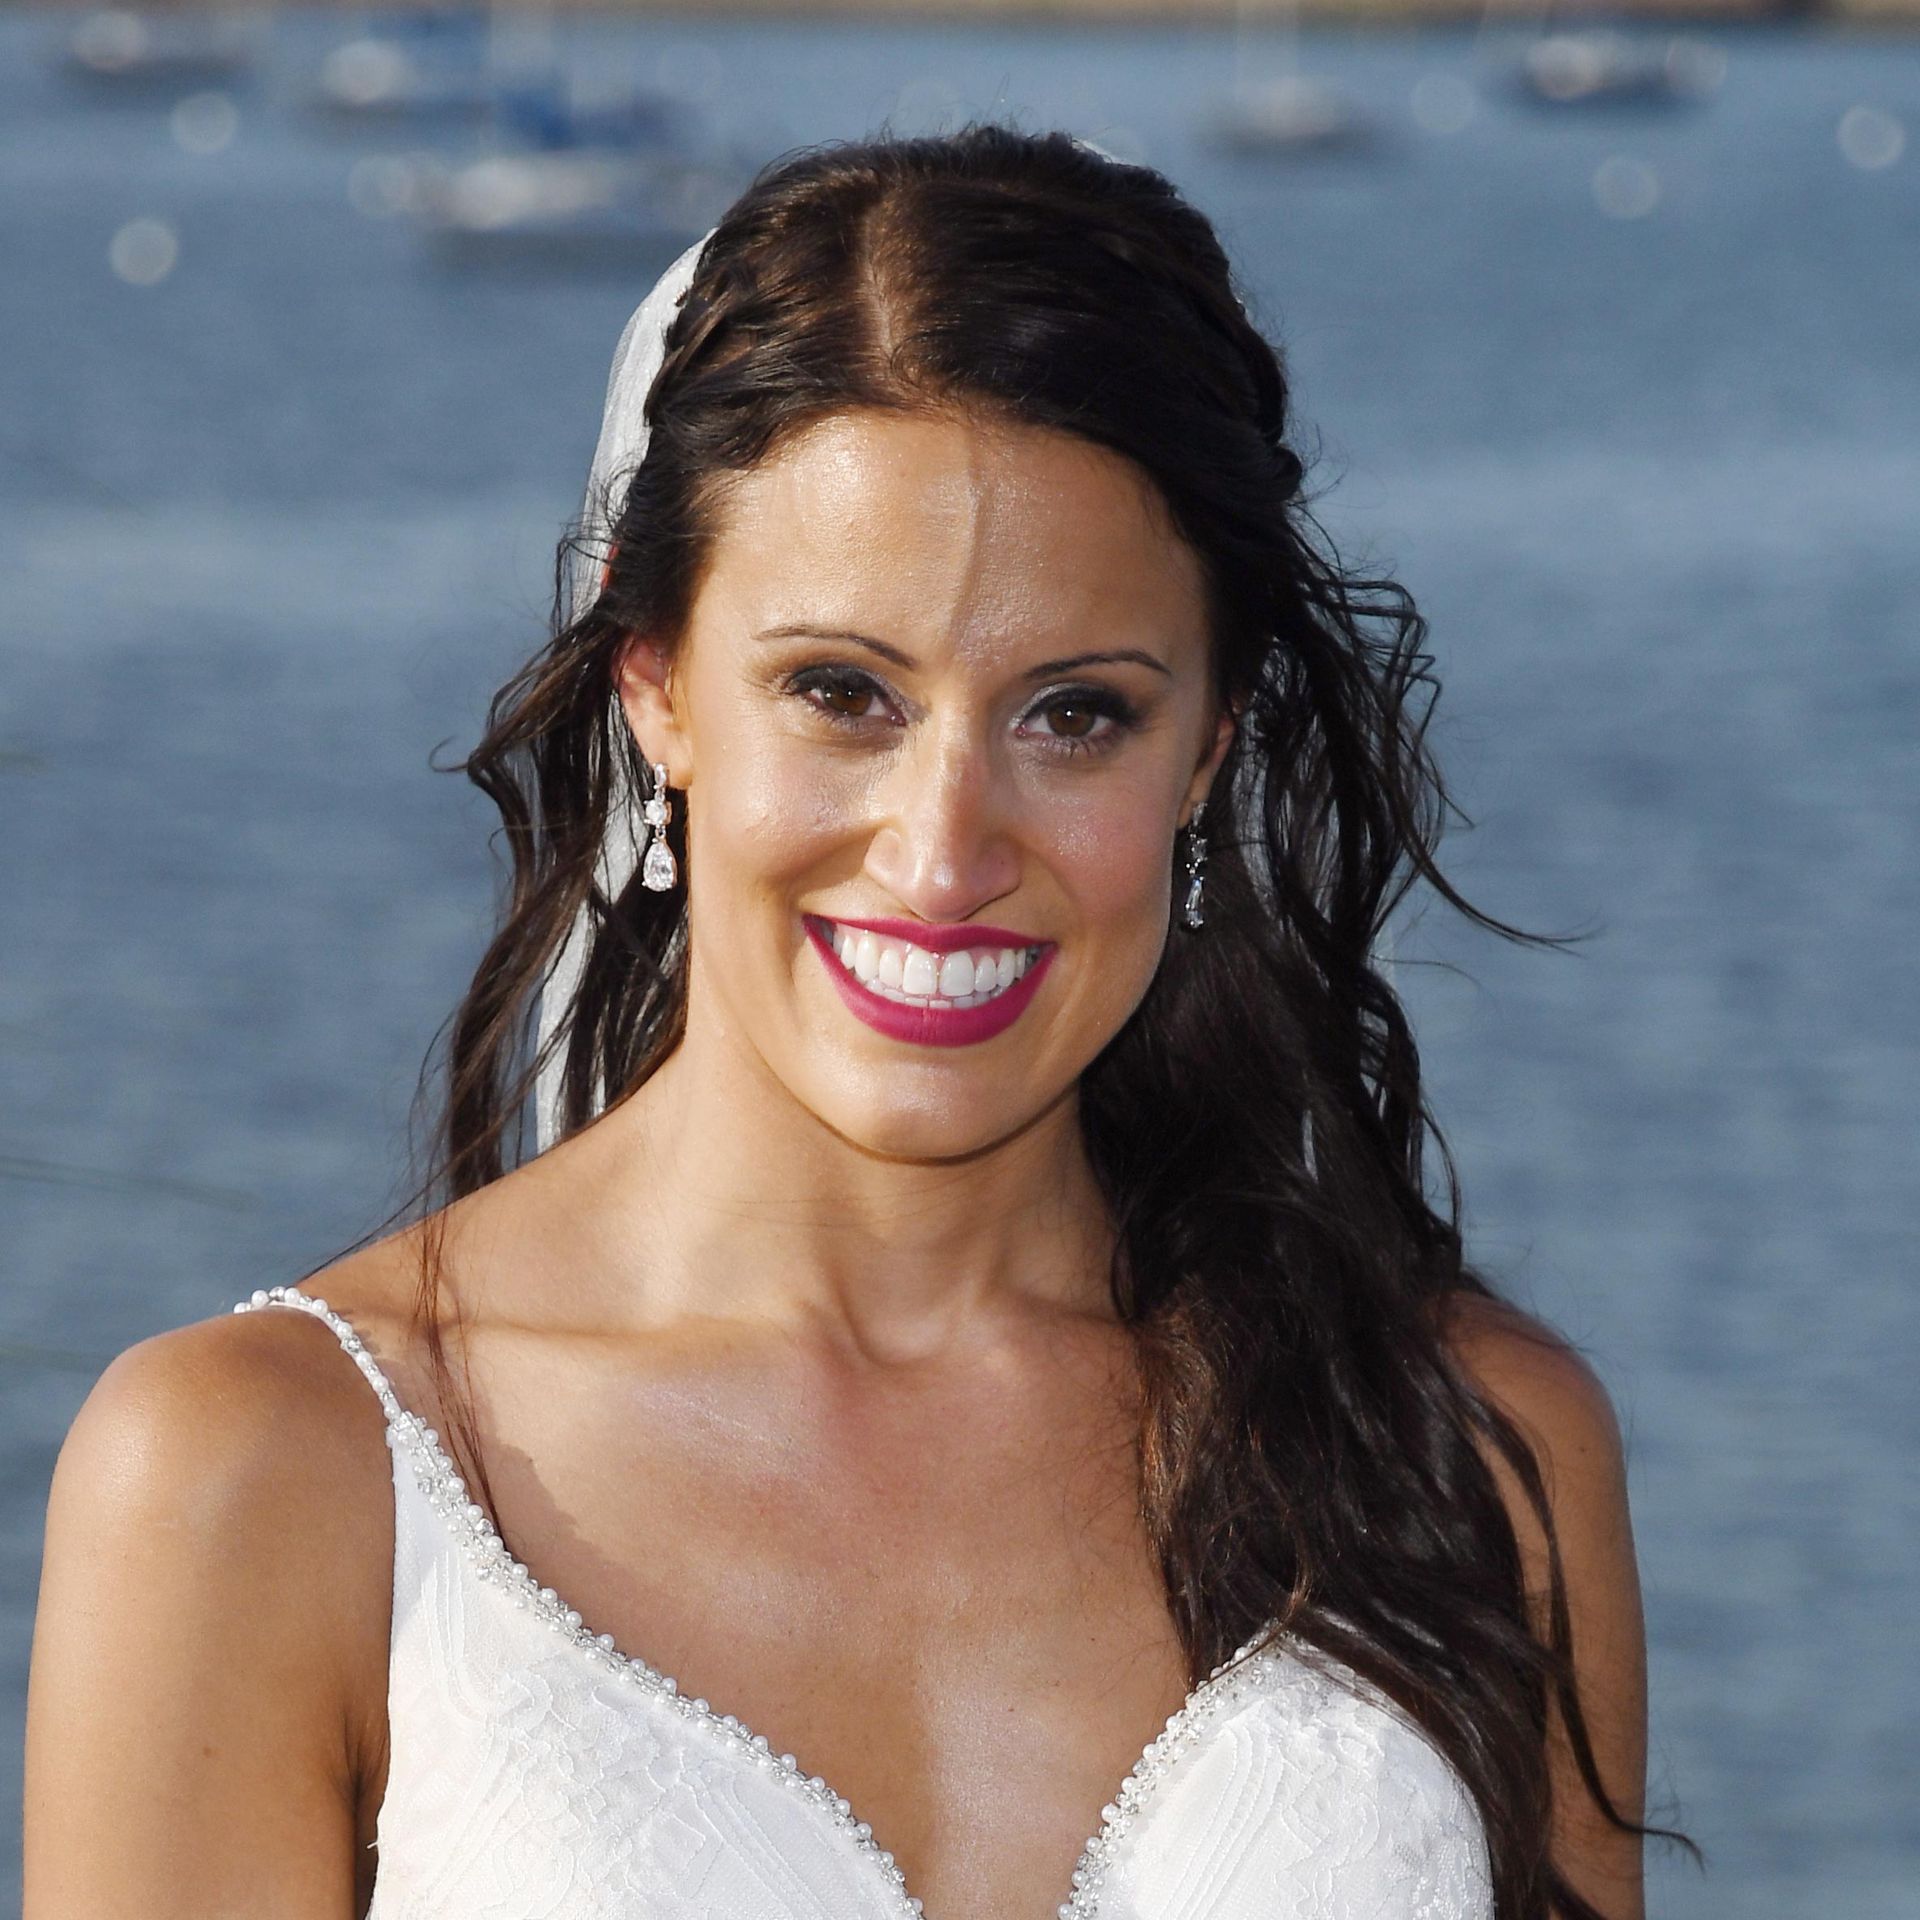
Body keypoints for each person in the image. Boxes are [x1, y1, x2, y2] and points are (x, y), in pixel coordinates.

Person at [23, 124, 1665, 1920]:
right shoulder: (262, 1479)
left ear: (1209, 746)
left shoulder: (1468, 1453)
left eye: (1076, 716)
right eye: (841, 692)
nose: (944, 849)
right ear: (654, 688)